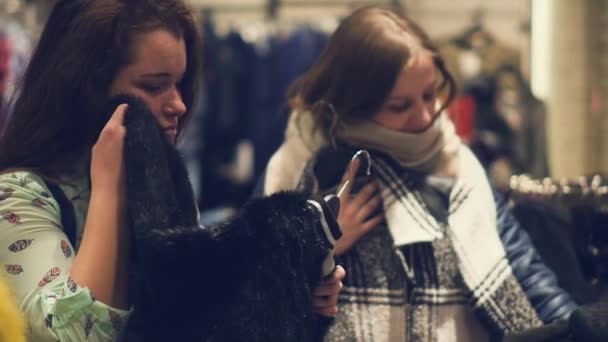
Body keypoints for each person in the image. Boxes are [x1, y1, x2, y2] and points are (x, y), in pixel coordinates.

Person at [0, 1, 344, 341]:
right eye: (153, 86)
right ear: (86, 88)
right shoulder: (18, 196)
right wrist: (109, 189)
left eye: (180, 83)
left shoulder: (161, 189)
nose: (178, 104)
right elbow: (74, 336)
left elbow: (195, 319)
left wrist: (294, 298)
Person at [259, 6, 577, 341]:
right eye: (400, 106)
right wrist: (319, 244)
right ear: (353, 104)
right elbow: (253, 290)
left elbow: (525, 274)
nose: (426, 117)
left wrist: (583, 331)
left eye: (429, 94)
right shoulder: (295, 166)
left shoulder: (456, 163)